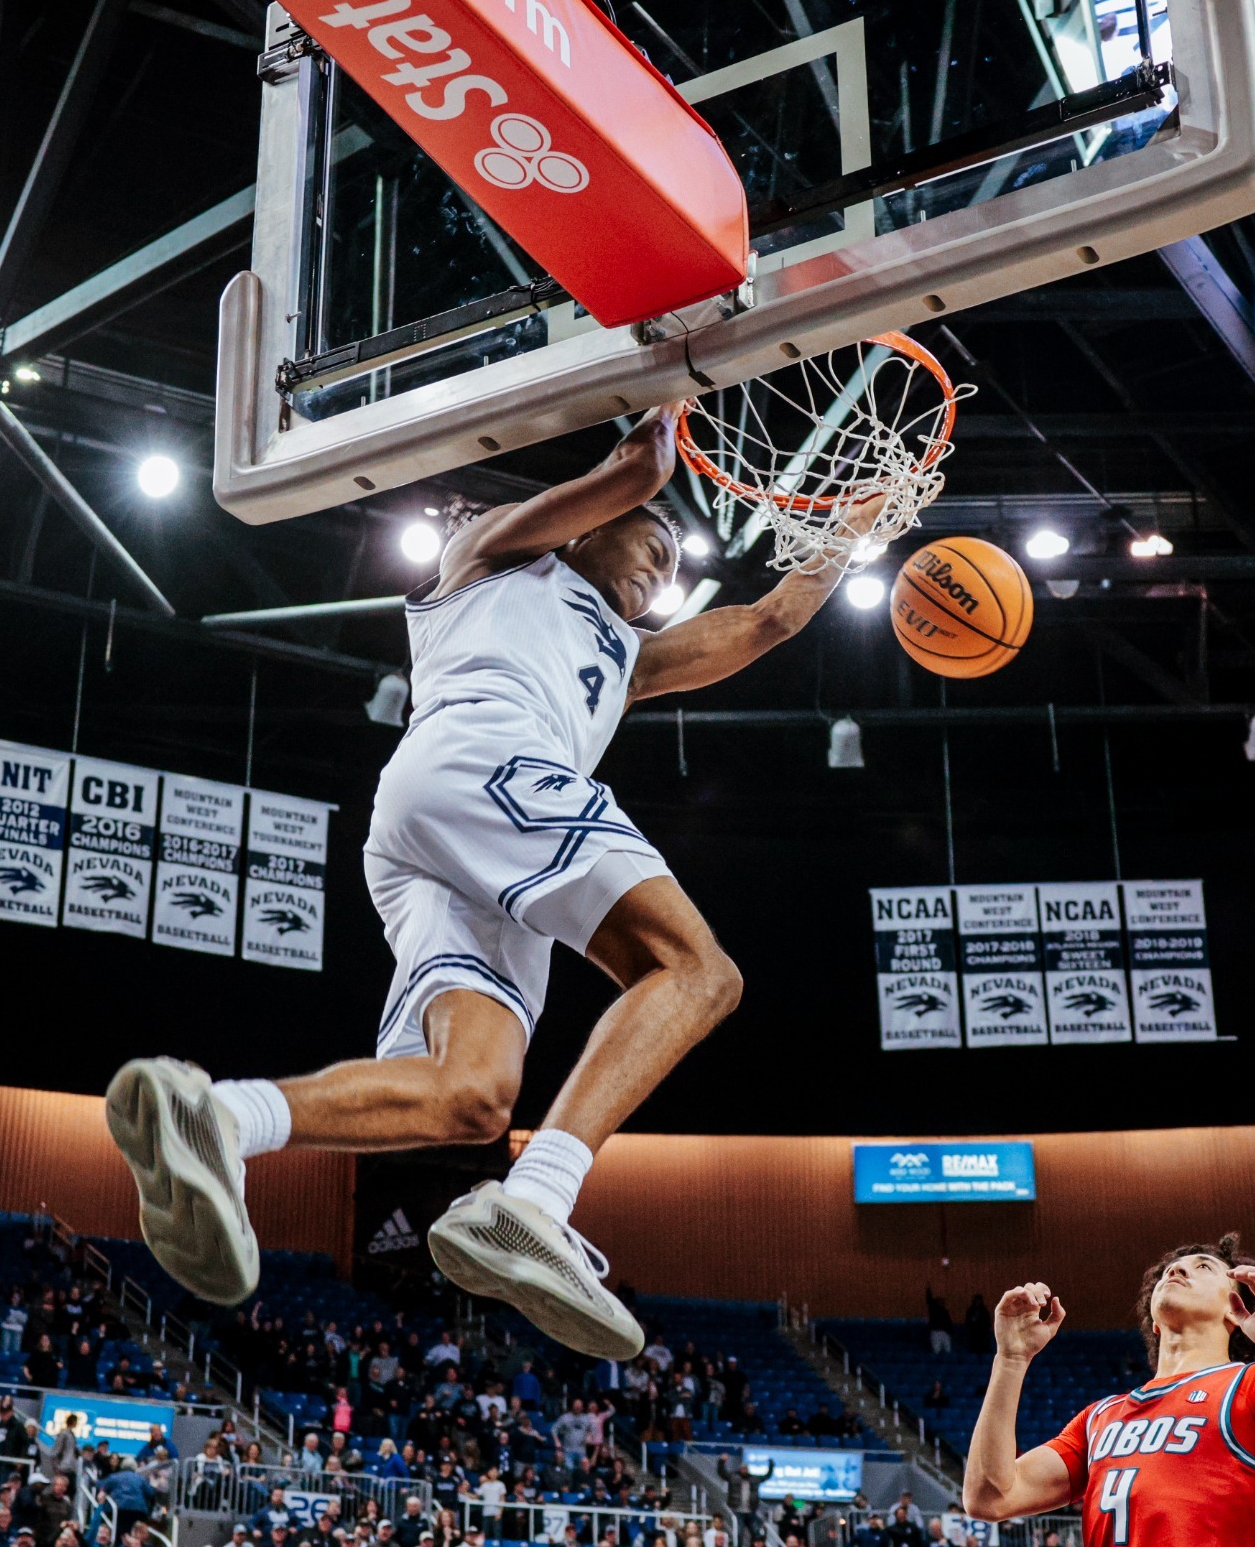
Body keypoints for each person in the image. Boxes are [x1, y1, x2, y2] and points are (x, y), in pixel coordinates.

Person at [107, 406, 880, 1358]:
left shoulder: (627, 658)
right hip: (489, 766)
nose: (663, 566)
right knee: (699, 973)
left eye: (673, 568)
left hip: (437, 830)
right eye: (651, 545)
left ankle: (220, 1118)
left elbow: (767, 622)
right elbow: (637, 471)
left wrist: (851, 529)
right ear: (585, 528)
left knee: (470, 1099)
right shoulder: (494, 557)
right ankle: (539, 1201)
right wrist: (675, 387)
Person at [959, 1233, 1255, 1547]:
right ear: (1154, 1321)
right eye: (1168, 1272)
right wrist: (1010, 1361)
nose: (1176, 1271)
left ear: (1235, 1307)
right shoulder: (1100, 1417)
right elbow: (990, 1497)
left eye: (1203, 1268)